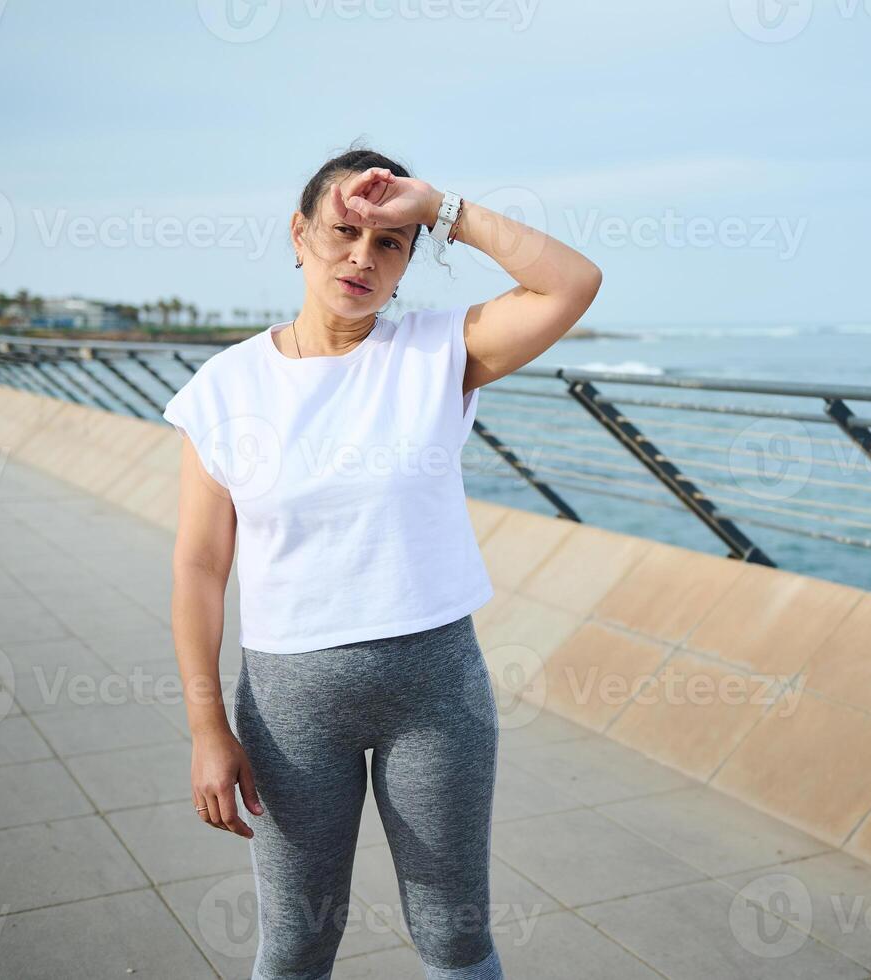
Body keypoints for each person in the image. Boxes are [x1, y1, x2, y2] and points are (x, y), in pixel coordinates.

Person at [162, 145, 602, 979]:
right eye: (342, 233)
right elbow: (198, 568)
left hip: (435, 693)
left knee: (454, 937)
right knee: (295, 943)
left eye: (389, 241)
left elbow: (571, 285)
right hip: (290, 705)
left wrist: (440, 207)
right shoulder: (222, 390)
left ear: (407, 260)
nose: (361, 258)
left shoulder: (438, 354)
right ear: (299, 235)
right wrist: (204, 726)